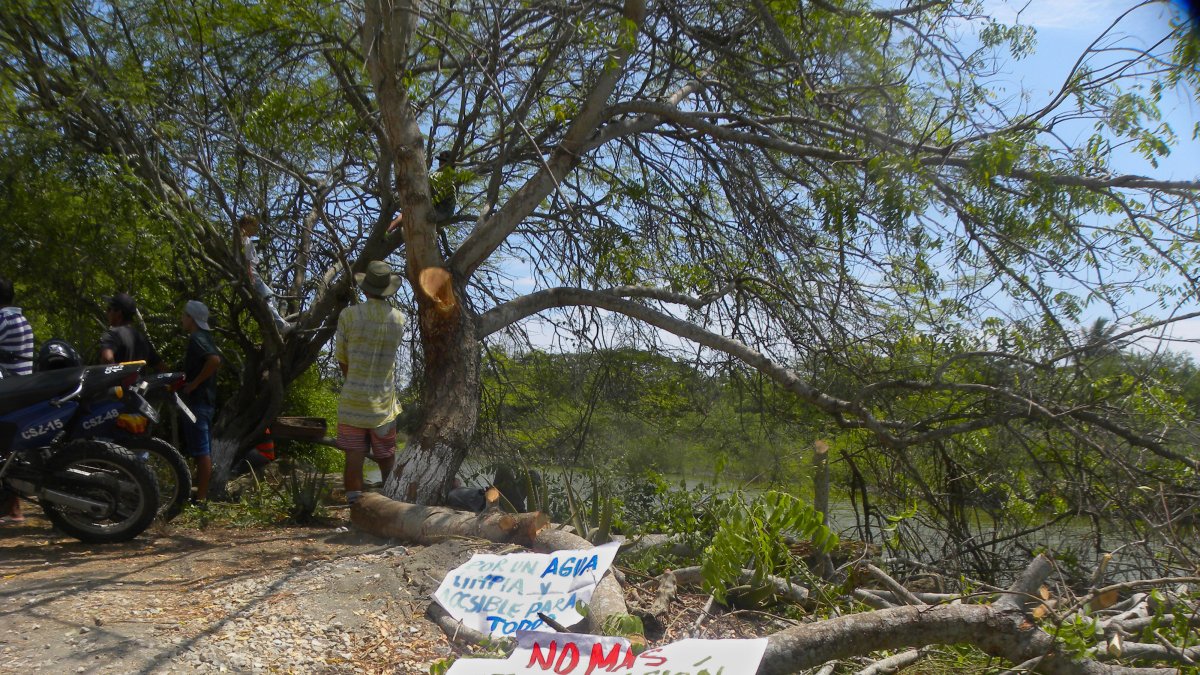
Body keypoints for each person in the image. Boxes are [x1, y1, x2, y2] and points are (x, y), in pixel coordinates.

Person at [335, 260, 406, 505]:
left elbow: (342, 359)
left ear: (365, 289)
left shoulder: (349, 315)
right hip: (384, 403)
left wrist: (354, 381)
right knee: (387, 458)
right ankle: (391, 507)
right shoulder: (399, 319)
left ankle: (356, 509)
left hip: (353, 400)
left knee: (354, 457)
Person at [180, 300, 221, 504]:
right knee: (200, 450)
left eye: (184, 315)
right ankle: (199, 494)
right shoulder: (205, 336)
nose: (182, 319)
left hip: (199, 402)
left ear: (191, 318)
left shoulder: (197, 338)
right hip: (205, 402)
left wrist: (194, 384)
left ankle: (201, 498)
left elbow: (214, 360)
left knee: (202, 451)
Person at [0, 277, 33, 524]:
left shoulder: (3, 320)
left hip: (8, 391)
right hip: (20, 390)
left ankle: (12, 508)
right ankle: (13, 508)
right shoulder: (20, 319)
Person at [238, 215, 292, 335]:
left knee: (267, 297)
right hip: (251, 272)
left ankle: (278, 324)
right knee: (268, 297)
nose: (256, 230)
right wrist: (250, 277)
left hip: (248, 272)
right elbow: (246, 261)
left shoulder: (238, 239)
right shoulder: (245, 240)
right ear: (247, 224)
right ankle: (281, 326)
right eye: (254, 226)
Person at [99, 292, 163, 368]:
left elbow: (107, 358)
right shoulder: (142, 339)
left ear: (119, 313)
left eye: (109, 309)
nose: (107, 312)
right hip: (139, 380)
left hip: (118, 379)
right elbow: (163, 367)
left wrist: (114, 377)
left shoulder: (112, 334)